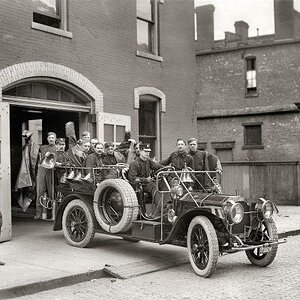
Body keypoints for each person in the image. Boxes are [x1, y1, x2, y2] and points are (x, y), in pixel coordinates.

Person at [128, 143, 164, 216]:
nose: (148, 153)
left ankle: (168, 204)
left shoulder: (148, 161)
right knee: (153, 186)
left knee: (163, 182)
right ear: (140, 151)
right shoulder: (134, 163)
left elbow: (157, 166)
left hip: (147, 183)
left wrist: (167, 169)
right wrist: (145, 180)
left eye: (148, 152)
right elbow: (132, 179)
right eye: (145, 151)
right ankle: (161, 208)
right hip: (139, 185)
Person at [35, 131, 57, 220]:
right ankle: (39, 213)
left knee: (52, 191)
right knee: (40, 191)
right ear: (47, 139)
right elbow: (32, 149)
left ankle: (53, 214)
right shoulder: (43, 147)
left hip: (52, 171)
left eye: (53, 137)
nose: (51, 139)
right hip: (42, 170)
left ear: (55, 139)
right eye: (49, 138)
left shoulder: (57, 148)